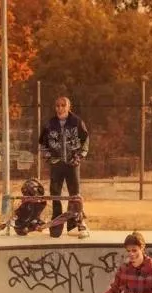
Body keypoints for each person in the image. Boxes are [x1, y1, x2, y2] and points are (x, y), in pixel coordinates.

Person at [37, 95, 90, 239]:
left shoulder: (76, 122)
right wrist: (47, 156)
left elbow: (85, 140)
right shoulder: (50, 124)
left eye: (63, 105)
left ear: (68, 107)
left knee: (75, 194)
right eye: (57, 106)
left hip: (72, 163)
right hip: (56, 164)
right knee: (55, 193)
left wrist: (79, 156)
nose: (60, 108)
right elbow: (42, 142)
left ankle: (75, 224)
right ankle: (57, 222)